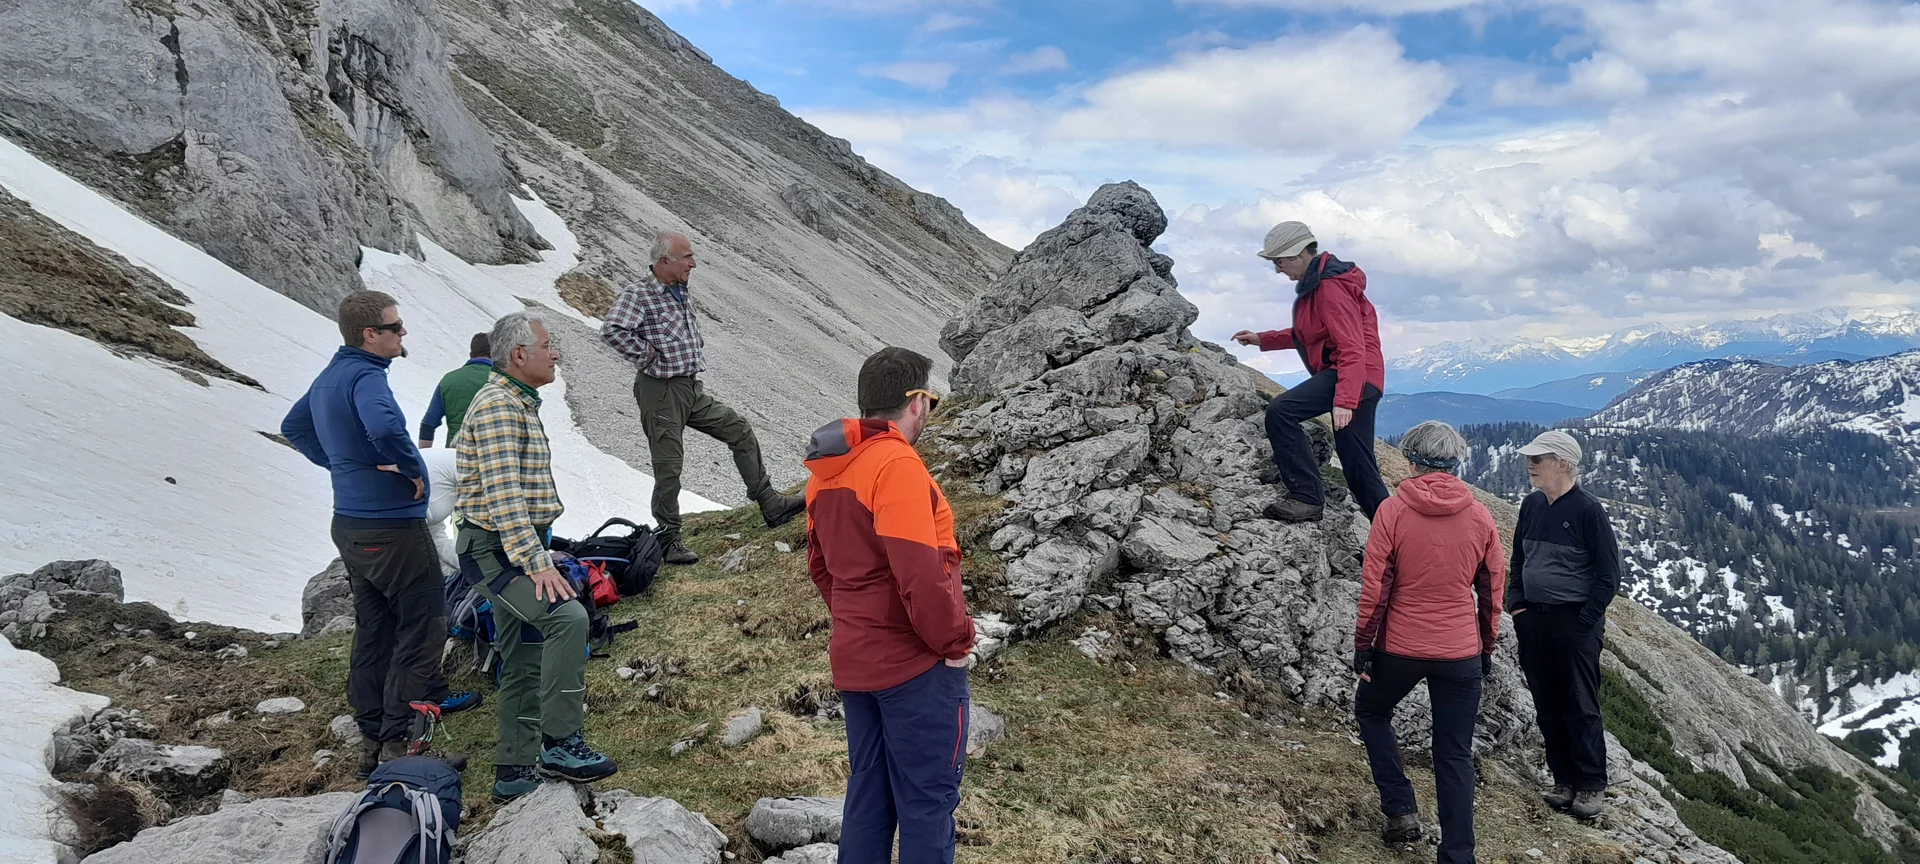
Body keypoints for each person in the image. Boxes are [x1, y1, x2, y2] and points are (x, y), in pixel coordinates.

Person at [281, 291, 474, 780]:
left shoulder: (330, 376)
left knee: (375, 631)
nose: (403, 333)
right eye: (396, 327)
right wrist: (411, 471)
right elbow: (386, 426)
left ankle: (372, 738)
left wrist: (346, 466)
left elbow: (294, 427)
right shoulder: (367, 375)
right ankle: (399, 747)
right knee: (422, 629)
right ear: (371, 335)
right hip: (393, 526)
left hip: (350, 523)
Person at [803, 347, 975, 864]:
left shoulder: (825, 471)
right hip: (915, 666)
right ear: (916, 401)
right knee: (927, 801)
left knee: (868, 796)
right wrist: (954, 643)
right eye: (932, 401)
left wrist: (859, 623)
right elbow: (920, 571)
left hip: (855, 660)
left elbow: (821, 569)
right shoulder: (896, 463)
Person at [454, 311, 618, 803]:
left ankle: (513, 771)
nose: (557, 353)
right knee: (567, 617)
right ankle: (560, 743)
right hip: (494, 551)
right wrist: (537, 560)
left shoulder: (516, 400)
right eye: (548, 345)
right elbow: (503, 495)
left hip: (512, 545)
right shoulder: (500, 407)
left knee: (524, 653)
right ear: (519, 355)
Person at [601, 231, 806, 566]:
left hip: (689, 388)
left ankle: (770, 503)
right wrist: (648, 355)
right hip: (661, 390)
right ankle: (668, 541)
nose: (693, 263)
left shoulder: (679, 290)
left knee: (738, 430)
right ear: (664, 261)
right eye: (687, 257)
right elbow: (612, 329)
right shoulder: (640, 294)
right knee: (669, 468)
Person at [1351, 421, 1506, 862]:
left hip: (1399, 645)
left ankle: (1400, 810)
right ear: (1455, 460)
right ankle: (1458, 855)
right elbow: (1492, 588)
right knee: (1453, 754)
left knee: (1371, 709)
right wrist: (1486, 648)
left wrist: (1365, 645)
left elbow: (1375, 586)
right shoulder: (1479, 515)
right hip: (1460, 652)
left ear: (1410, 458)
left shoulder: (1393, 510)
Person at [1232, 221, 1391, 523]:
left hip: (1352, 375)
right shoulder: (1318, 285)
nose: (1278, 269)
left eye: (1279, 261)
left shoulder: (1329, 288)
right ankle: (1397, 542)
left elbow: (1352, 346)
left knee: (1281, 411)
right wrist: (1262, 339)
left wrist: (1344, 399)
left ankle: (1306, 498)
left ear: (1298, 255)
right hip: (1358, 377)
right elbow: (1309, 333)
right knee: (1358, 467)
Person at [1507, 429, 1620, 820]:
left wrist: (1584, 623)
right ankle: (1563, 780)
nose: (1530, 465)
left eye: (1539, 459)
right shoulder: (1531, 505)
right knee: (1546, 702)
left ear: (1564, 463)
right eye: (1531, 459)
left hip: (1574, 622)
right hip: (1534, 620)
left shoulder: (1588, 511)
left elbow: (1609, 576)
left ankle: (1591, 784)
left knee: (1579, 703)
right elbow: (1519, 558)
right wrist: (1517, 605)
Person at [419, 332, 493, 448]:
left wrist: (425, 457)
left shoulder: (448, 380)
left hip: (455, 455)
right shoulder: (503, 381)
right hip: (492, 457)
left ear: (471, 354)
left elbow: (428, 424)